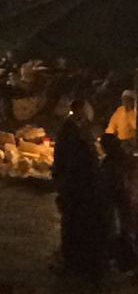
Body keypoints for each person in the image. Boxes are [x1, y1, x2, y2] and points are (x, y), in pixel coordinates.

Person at [53, 103, 106, 280]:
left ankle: (77, 260)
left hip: (78, 186)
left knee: (76, 224)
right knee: (73, 224)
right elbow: (69, 158)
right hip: (76, 186)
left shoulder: (75, 130)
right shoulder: (72, 132)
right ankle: (74, 261)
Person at [101, 132, 138, 270]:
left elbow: (110, 181)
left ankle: (128, 259)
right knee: (129, 227)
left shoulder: (111, 162)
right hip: (129, 197)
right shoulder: (126, 158)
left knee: (126, 228)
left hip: (124, 198)